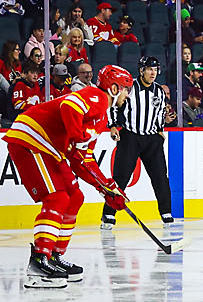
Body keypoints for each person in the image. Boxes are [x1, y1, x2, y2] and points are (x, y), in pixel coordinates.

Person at [4, 65, 135, 288]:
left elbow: (82, 158)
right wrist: (76, 134)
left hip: (47, 147)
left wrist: (106, 187)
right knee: (57, 197)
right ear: (113, 88)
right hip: (31, 138)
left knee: (75, 197)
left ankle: (53, 255)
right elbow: (69, 105)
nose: (127, 95)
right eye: (125, 89)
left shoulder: (101, 118)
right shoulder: (97, 97)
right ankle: (39, 260)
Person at [102, 55, 176, 226]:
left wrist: (159, 130)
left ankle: (166, 212)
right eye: (149, 69)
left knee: (160, 178)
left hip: (152, 140)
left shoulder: (159, 91)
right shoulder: (129, 87)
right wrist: (112, 126)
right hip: (131, 137)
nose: (153, 73)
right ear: (142, 70)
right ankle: (108, 214)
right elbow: (113, 106)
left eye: (155, 69)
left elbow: (159, 113)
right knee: (121, 177)